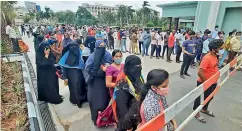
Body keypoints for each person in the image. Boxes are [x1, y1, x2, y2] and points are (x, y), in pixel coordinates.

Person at [193, 39, 224, 123]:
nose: (222, 50)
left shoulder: (215, 56)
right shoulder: (207, 58)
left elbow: (213, 67)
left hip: (213, 81)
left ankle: (204, 109)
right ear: (214, 49)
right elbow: (200, 72)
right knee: (200, 98)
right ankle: (196, 112)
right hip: (205, 82)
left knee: (210, 97)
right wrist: (207, 83)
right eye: (220, 48)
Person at [113, 55, 144, 131]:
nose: (139, 68)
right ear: (129, 67)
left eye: (140, 65)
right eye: (136, 66)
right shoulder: (122, 83)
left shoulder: (138, 76)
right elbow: (122, 108)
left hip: (136, 112)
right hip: (127, 118)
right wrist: (128, 126)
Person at [85, 40, 112, 125]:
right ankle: (95, 119)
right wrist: (100, 70)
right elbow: (88, 69)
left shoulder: (107, 55)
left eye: (103, 45)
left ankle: (104, 119)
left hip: (104, 81)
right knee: (93, 100)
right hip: (94, 81)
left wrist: (107, 68)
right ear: (96, 46)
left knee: (104, 100)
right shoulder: (92, 57)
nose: (102, 48)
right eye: (100, 46)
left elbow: (111, 65)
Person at [58, 39, 87, 107]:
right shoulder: (74, 52)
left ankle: (77, 100)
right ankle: (78, 101)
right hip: (74, 73)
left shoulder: (73, 51)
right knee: (76, 87)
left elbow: (62, 64)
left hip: (73, 73)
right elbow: (81, 64)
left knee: (75, 87)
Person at [36, 38, 63, 104]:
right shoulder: (39, 54)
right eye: (45, 47)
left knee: (53, 84)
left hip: (51, 72)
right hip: (44, 74)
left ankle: (55, 95)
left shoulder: (49, 52)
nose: (47, 49)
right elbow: (42, 64)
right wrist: (46, 55)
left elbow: (52, 60)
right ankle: (49, 98)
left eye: (48, 47)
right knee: (48, 86)